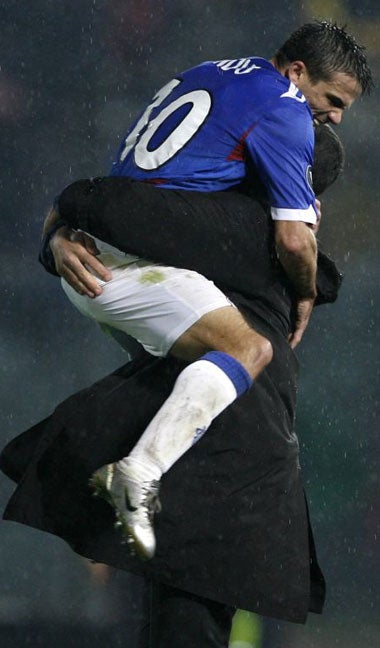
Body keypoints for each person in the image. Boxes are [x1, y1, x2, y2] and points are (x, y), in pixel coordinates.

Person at [2, 124, 345, 646]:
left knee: (178, 625)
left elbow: (99, 201)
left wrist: (58, 233)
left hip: (213, 479)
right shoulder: (287, 254)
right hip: (239, 484)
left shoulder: (227, 228)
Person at [41, 21, 372, 560]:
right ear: (296, 72)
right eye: (333, 100)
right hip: (125, 269)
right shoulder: (285, 109)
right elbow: (292, 240)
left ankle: (119, 484)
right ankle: (136, 475)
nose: (334, 117)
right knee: (249, 349)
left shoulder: (211, 73)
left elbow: (109, 189)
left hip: (102, 246)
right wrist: (308, 291)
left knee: (182, 380)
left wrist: (54, 236)